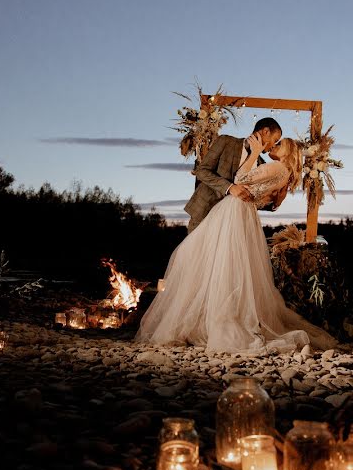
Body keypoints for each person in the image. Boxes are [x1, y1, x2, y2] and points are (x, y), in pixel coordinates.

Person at [136, 136, 338, 355]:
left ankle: (218, 318)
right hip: (244, 213)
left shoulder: (277, 167)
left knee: (206, 257)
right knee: (230, 263)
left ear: (288, 153)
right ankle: (218, 314)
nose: (274, 146)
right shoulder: (284, 174)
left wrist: (253, 153)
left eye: (279, 145)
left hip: (234, 210)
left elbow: (240, 178)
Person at [184, 118, 284, 234]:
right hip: (205, 212)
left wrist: (275, 204)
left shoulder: (262, 165)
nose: (274, 146)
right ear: (266, 131)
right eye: (275, 140)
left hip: (233, 225)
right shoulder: (226, 141)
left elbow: (252, 200)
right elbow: (201, 171)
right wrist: (230, 187)